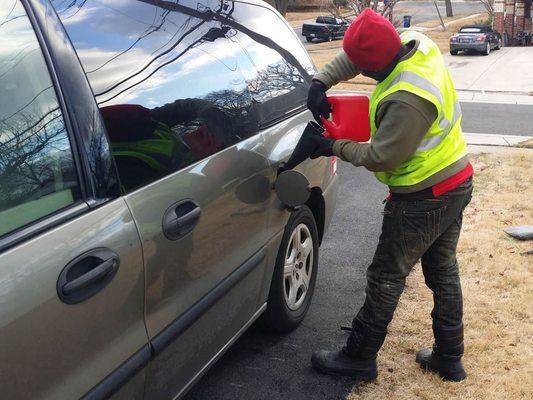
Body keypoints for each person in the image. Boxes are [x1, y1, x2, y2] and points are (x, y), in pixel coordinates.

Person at [304, 9, 474, 383]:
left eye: (366, 69)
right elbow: (358, 53)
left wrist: (332, 146)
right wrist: (321, 80)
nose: (361, 72)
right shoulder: (416, 42)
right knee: (442, 270)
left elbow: (382, 156)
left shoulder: (408, 99)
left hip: (425, 195)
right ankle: (449, 356)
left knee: (386, 275)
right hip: (455, 175)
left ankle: (359, 357)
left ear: (378, 64)